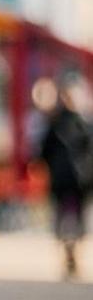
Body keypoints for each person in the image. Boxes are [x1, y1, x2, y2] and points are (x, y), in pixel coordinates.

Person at [39, 75, 92, 280]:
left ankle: (67, 247)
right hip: (81, 179)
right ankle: (74, 246)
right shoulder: (86, 125)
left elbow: (43, 151)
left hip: (62, 178)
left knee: (62, 215)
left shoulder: (55, 124)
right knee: (78, 216)